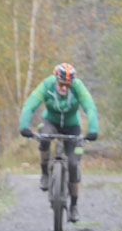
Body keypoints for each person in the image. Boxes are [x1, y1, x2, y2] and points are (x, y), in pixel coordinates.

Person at [19, 62, 98, 222]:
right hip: (51, 122)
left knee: (74, 164)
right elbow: (29, 105)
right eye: (61, 84)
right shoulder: (47, 85)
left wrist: (93, 130)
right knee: (44, 138)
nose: (64, 88)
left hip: (72, 126)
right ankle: (45, 173)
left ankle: (73, 206)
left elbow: (90, 107)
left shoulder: (78, 87)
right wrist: (24, 127)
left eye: (67, 85)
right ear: (56, 79)